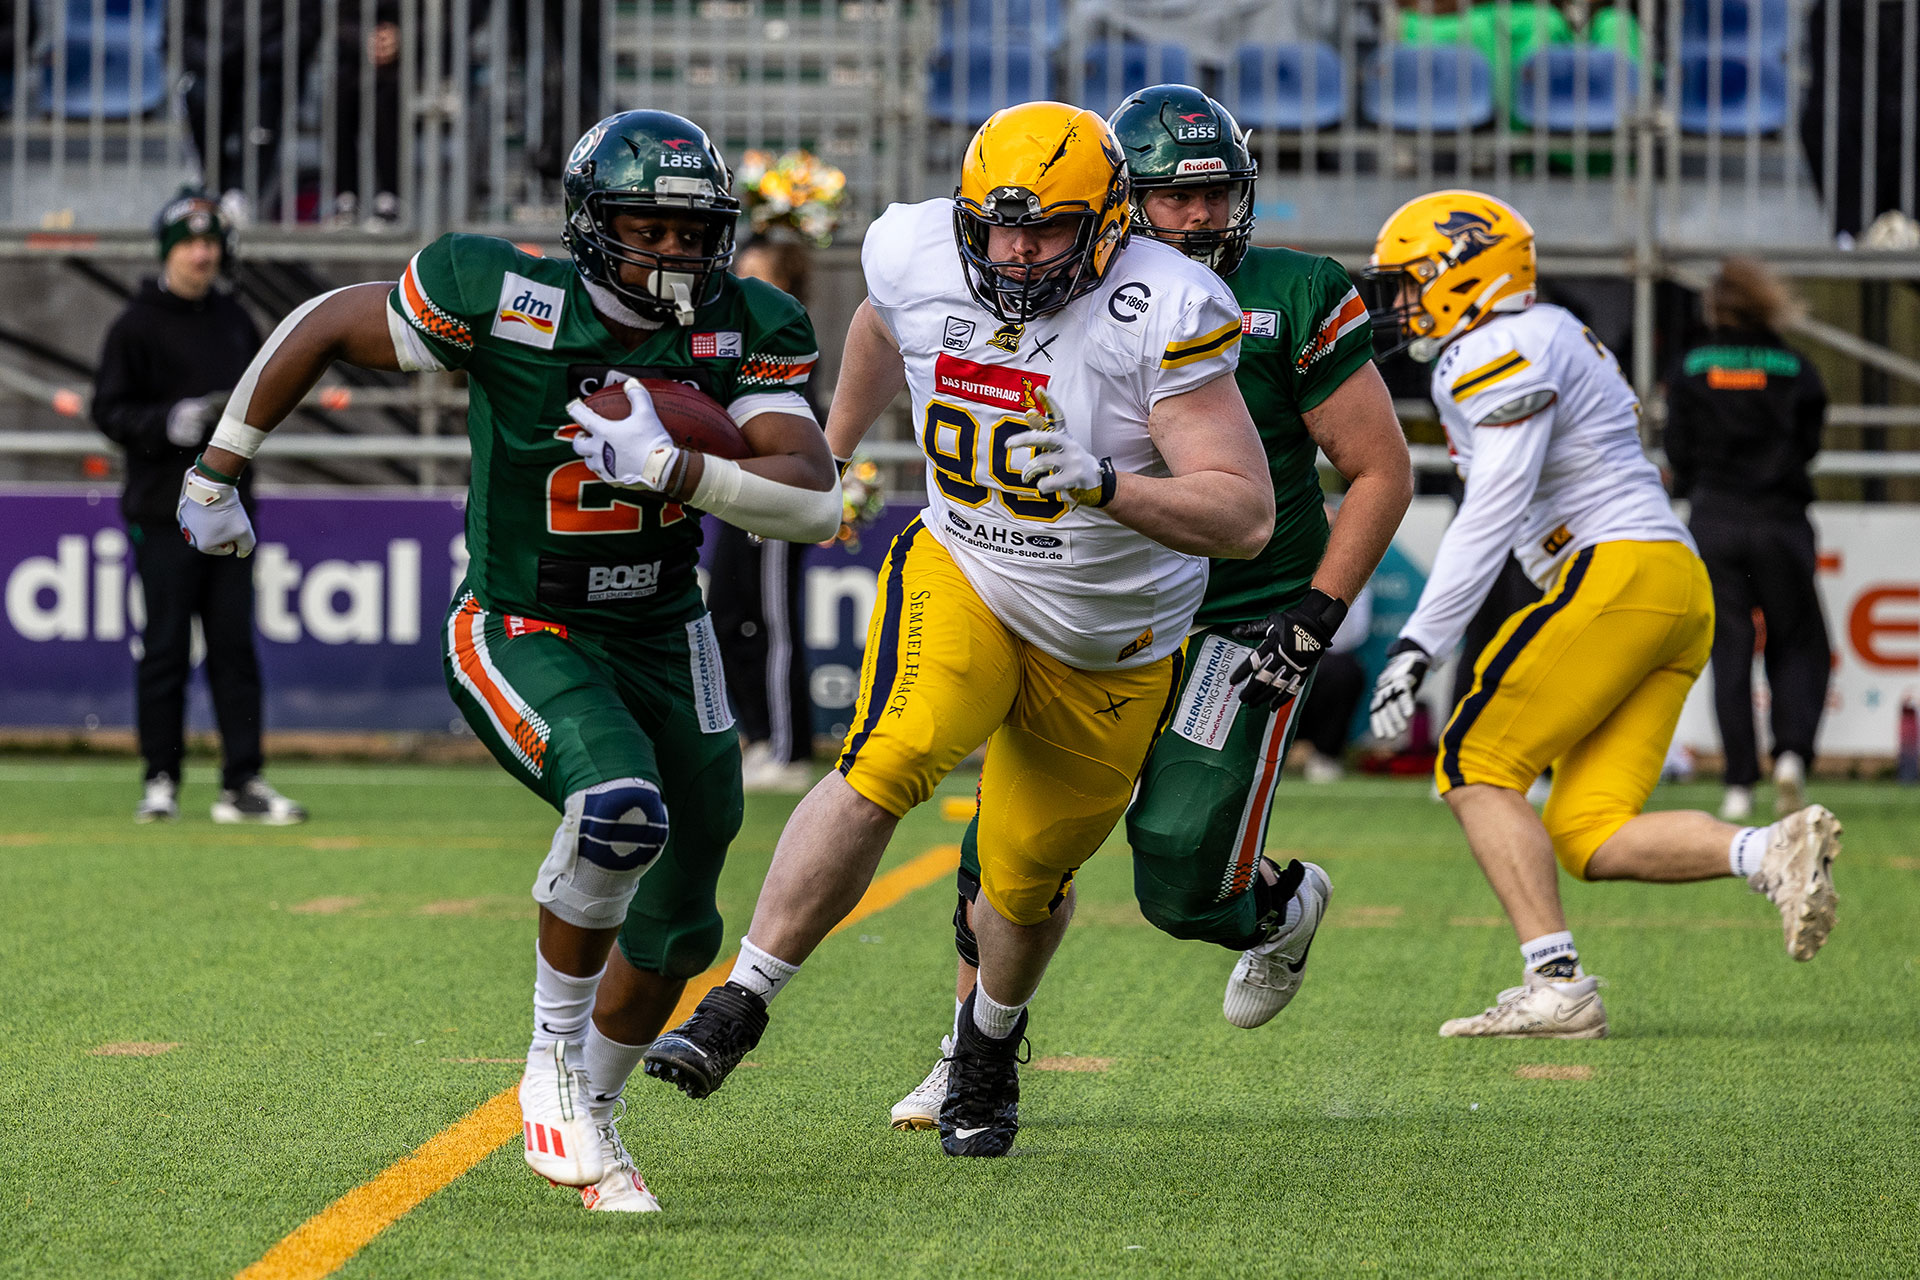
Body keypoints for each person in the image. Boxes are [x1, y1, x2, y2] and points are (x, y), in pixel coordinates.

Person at [173, 110, 841, 1212]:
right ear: (591, 223)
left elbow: (813, 497)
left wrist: (676, 469)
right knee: (619, 806)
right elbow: (328, 320)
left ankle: (599, 1112)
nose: (674, 252)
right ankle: (552, 1059)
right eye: (646, 225)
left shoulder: (747, 319)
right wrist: (217, 468)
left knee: (682, 924)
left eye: (692, 232)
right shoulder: (504, 292)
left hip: (668, 629)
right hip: (524, 620)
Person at [641, 100, 1278, 1158]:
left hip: (1110, 636)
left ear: (1113, 220)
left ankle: (986, 1044)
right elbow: (884, 322)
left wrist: (1109, 483)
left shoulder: (1164, 304)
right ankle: (739, 999)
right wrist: (832, 443)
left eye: (1047, 228)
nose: (1017, 251)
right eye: (996, 224)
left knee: (1023, 879)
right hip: (969, 565)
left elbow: (1246, 512)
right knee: (891, 751)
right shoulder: (918, 247)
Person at [881, 84, 1412, 1132]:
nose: (1201, 217)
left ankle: (1278, 901)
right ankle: (970, 1053)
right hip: (1091, 603)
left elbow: (1380, 469)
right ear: (1120, 199)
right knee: (1003, 850)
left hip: (1237, 612)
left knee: (1179, 877)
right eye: (1175, 198)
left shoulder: (1294, 291)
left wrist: (1315, 611)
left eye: (1215, 193)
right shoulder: (1047, 278)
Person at [1361, 190, 1842, 1039]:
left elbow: (1494, 507)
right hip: (1667, 587)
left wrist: (1418, 643)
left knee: (1474, 762)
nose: (1395, 304)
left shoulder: (1500, 342)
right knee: (1588, 833)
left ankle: (1557, 984)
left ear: (1456, 272)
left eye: (1407, 283)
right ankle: (1768, 851)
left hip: (1617, 571)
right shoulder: (1540, 333)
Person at [92, 190, 306, 827]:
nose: (201, 254)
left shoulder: (235, 318)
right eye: (188, 243)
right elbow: (109, 410)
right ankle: (160, 778)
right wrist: (167, 422)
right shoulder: (135, 324)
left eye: (210, 242)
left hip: (230, 512)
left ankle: (243, 780)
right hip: (162, 512)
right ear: (167, 251)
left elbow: (264, 394)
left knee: (235, 647)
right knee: (163, 648)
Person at [1665, 258, 1831, 823]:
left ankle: (1738, 784)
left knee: (1729, 652)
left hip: (1714, 520)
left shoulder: (1691, 367)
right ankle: (1790, 755)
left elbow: (1679, 454)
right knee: (1798, 643)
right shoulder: (1796, 366)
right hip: (1781, 520)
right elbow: (1809, 442)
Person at [707, 237, 820, 792]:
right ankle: (756, 736)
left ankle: (787, 749)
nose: (744, 285)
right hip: (736, 491)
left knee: (772, 622)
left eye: (758, 274)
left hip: (773, 494)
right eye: (740, 273)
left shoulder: (785, 336)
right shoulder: (728, 337)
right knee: (726, 614)